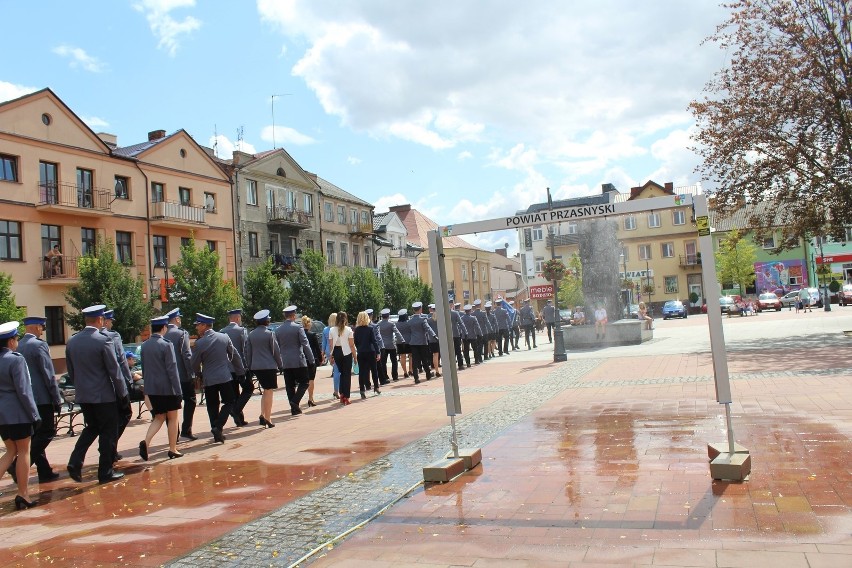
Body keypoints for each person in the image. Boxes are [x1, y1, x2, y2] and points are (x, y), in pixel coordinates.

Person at [66, 305, 128, 484]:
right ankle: (105, 472)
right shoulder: (103, 340)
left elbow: (71, 371)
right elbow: (114, 371)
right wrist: (123, 394)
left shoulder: (72, 341)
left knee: (91, 427)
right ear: (100, 320)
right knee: (108, 432)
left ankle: (75, 460)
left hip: (84, 395)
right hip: (104, 395)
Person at [15, 316, 63, 483]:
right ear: (35, 327)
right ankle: (17, 467)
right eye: (42, 327)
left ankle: (44, 471)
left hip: (25, 398)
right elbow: (48, 375)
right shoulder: (39, 345)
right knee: (47, 432)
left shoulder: (17, 345)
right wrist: (56, 398)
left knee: (36, 435)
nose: (43, 330)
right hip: (42, 398)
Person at [0, 321, 41, 509]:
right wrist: (34, 414)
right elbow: (24, 391)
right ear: (10, 342)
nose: (17, 342)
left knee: (10, 451)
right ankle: (23, 494)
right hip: (18, 413)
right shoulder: (15, 359)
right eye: (16, 339)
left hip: (2, 415)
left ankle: (23, 493)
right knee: (24, 450)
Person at [190, 313, 244, 443]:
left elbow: (194, 363)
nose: (197, 328)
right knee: (229, 402)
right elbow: (234, 355)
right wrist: (240, 371)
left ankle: (216, 428)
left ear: (204, 325)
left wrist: (198, 374)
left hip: (209, 378)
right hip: (225, 376)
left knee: (212, 405)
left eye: (198, 325)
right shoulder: (224, 337)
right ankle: (218, 427)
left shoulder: (200, 343)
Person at [138, 316, 183, 461]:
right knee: (173, 417)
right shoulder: (166, 344)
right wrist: (178, 390)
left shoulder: (144, 346)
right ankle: (172, 449)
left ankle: (146, 441)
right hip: (168, 388)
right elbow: (172, 369)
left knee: (159, 417)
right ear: (164, 328)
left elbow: (144, 369)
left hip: (152, 389)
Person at [100, 309, 133, 462]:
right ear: (105, 321)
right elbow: (121, 360)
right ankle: (109, 447)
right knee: (124, 414)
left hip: (99, 388)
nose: (111, 323)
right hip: (116, 384)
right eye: (110, 321)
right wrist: (128, 381)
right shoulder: (113, 336)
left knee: (104, 421)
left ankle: (108, 447)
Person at [274, 306, 314, 416]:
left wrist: (279, 362)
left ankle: (294, 409)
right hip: (298, 360)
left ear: (285, 316)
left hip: (285, 361)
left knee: (289, 385)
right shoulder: (298, 328)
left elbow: (276, 347)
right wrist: (311, 360)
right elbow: (305, 344)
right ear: (294, 316)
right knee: (304, 382)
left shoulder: (278, 330)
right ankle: (295, 401)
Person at [246, 310, 283, 427]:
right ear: (266, 321)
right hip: (269, 366)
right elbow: (275, 351)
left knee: (265, 391)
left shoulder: (251, 334)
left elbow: (248, 352)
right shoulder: (269, 333)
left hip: (256, 366)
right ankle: (268, 418)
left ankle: (262, 415)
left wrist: (249, 366)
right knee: (269, 391)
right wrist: (280, 364)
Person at [164, 308, 196, 440]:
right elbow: (187, 356)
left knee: (171, 406)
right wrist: (191, 373)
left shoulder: (163, 334)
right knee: (190, 400)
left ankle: (174, 434)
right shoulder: (181, 334)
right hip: (183, 375)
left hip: (168, 378)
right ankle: (186, 429)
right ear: (177, 319)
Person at [220, 309, 250, 427]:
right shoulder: (242, 331)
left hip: (228, 368)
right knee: (248, 389)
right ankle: (236, 410)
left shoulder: (222, 332)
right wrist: (247, 365)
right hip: (240, 366)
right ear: (237, 318)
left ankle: (239, 420)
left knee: (235, 393)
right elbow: (245, 349)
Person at [328, 312, 356, 405]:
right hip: (347, 353)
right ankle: (346, 397)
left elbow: (331, 345)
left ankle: (342, 394)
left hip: (337, 352)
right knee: (346, 375)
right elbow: (351, 345)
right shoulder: (349, 329)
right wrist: (355, 357)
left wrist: (331, 356)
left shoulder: (331, 330)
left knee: (341, 373)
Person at [353, 311, 381, 398]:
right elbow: (374, 341)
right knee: (374, 370)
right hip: (370, 351)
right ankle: (376, 387)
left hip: (361, 352)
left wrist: (359, 348)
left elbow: (355, 342)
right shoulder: (370, 329)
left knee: (362, 372)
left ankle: (362, 390)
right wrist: (378, 352)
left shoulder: (356, 330)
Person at [409, 301, 437, 383]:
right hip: (422, 342)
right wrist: (434, 336)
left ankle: (416, 378)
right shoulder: (422, 320)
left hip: (413, 343)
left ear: (413, 310)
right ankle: (428, 375)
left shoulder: (410, 321)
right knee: (424, 359)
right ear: (420, 309)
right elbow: (428, 328)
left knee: (415, 361)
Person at [377, 308, 405, 382]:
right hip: (391, 345)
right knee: (394, 361)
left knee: (383, 362)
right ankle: (395, 376)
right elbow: (397, 332)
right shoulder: (391, 323)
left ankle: (385, 376)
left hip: (383, 345)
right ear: (388, 315)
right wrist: (402, 340)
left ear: (382, 316)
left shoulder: (379, 324)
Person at [302, 315, 322, 407]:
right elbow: (317, 348)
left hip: (302, 359)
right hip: (311, 359)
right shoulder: (312, 335)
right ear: (309, 324)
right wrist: (320, 359)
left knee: (304, 380)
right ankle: (310, 398)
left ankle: (306, 397)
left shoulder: (300, 334)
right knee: (311, 379)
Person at [322, 313, 340, 399]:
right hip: (336, 351)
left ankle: (336, 390)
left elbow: (323, 342)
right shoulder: (337, 329)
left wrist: (322, 353)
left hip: (328, 351)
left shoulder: (325, 329)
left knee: (335, 369)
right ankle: (336, 391)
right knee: (337, 371)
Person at [364, 309, 384, 387]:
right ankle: (381, 380)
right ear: (371, 316)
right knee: (377, 366)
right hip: (373, 349)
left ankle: (367, 383)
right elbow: (378, 338)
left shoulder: (360, 327)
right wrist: (381, 346)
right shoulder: (374, 326)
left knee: (366, 368)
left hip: (364, 349)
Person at [449, 301, 467, 370]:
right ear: (452, 305)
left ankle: (451, 365)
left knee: (449, 351)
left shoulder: (443, 313)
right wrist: (465, 332)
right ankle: (460, 365)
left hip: (447, 335)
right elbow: (461, 323)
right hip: (456, 334)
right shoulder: (455, 313)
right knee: (458, 350)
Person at [395, 309, 412, 378]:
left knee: (402, 356)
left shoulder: (396, 324)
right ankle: (410, 370)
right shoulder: (409, 323)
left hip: (399, 341)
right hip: (409, 341)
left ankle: (405, 371)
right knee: (411, 356)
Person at [427, 304, 441, 377]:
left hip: (432, 339)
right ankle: (438, 369)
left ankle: (436, 370)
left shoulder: (429, 320)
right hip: (441, 339)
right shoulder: (441, 318)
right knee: (440, 354)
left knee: (435, 354)